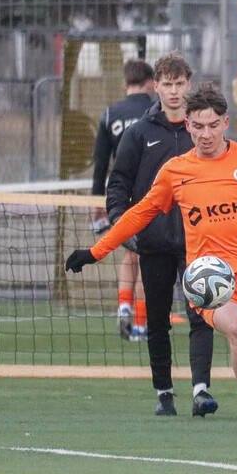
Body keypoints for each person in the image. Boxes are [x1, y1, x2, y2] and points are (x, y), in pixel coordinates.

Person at [67, 84, 237, 467]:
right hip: (211, 281)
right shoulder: (176, 171)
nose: (206, 134)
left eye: (213, 125)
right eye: (197, 126)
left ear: (226, 123)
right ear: (189, 125)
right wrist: (96, 251)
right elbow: (139, 213)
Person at [105, 53, 216, 418]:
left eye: (179, 83)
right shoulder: (139, 133)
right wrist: (122, 224)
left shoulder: (203, 132)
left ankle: (201, 390)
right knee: (156, 320)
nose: (173, 91)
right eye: (166, 84)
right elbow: (119, 183)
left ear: (190, 84)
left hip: (198, 243)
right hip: (153, 243)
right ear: (155, 86)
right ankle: (164, 393)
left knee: (202, 314)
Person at [91, 58, 154, 341]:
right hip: (151, 192)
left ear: (124, 84)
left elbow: (100, 163)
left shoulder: (110, 114)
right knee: (147, 258)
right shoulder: (156, 111)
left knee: (130, 255)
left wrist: (95, 201)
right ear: (152, 83)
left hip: (121, 192)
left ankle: (124, 307)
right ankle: (140, 325)